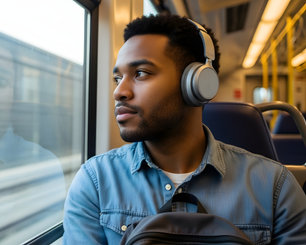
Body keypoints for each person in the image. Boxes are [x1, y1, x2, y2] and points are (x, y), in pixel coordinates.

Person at [63, 14, 306, 244]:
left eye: (140, 73)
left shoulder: (275, 188)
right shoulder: (95, 182)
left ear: (198, 84)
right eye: (118, 78)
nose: (119, 92)